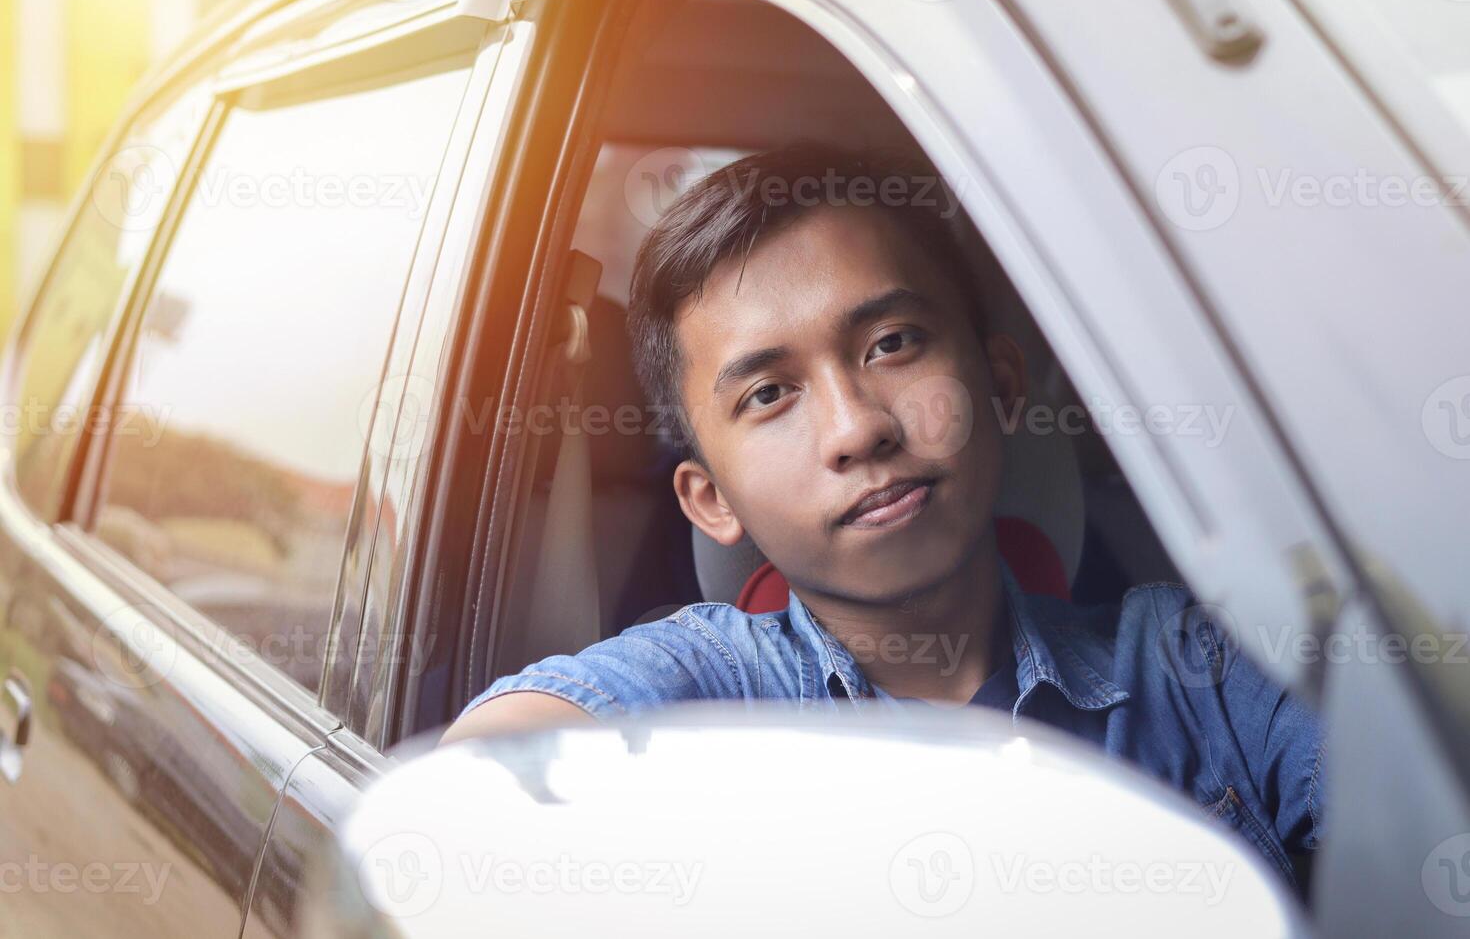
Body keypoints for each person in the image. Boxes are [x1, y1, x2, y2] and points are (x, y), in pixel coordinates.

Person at [442, 144, 1323, 888]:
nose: (857, 426)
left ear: (1003, 382)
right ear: (710, 501)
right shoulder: (706, 689)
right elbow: (473, 795)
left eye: (892, 344)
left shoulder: (1190, 671)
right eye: (769, 393)